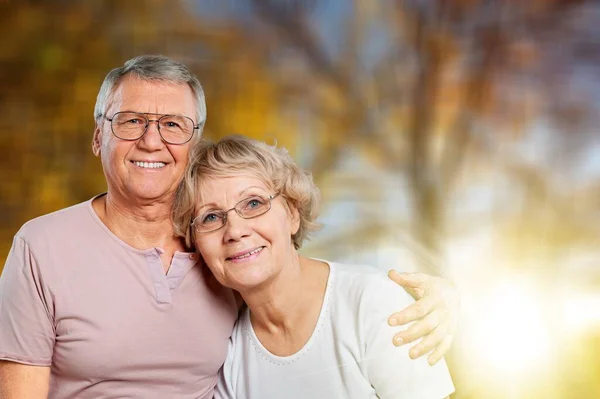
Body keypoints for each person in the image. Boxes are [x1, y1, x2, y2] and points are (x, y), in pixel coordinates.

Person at [0, 55, 458, 399]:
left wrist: (447, 299)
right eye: (131, 120)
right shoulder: (41, 246)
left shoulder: (224, 261)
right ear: (99, 135)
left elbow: (315, 291)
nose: (151, 139)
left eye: (172, 124)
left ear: (193, 143)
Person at [173, 135, 455, 398]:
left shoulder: (373, 303)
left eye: (253, 203)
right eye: (210, 218)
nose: (235, 230)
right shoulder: (230, 354)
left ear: (293, 215)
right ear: (196, 243)